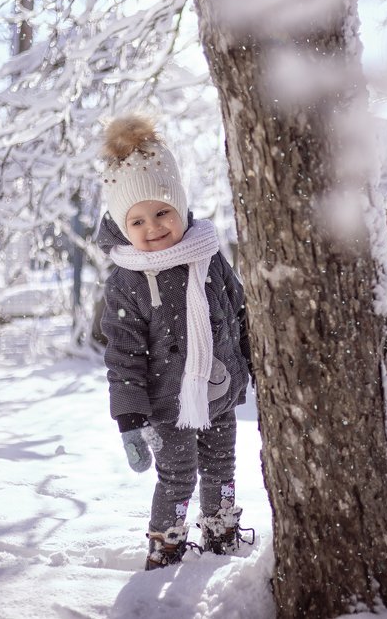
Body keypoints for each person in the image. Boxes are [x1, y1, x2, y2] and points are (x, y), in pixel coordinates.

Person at [96, 114, 253, 570]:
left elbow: (239, 315)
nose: (153, 228)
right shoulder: (126, 281)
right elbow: (123, 356)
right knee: (177, 477)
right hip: (167, 407)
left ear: (180, 208)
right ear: (124, 227)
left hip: (219, 396)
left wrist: (254, 363)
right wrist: (129, 417)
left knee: (222, 466)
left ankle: (222, 526)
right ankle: (167, 544)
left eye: (162, 212)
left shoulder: (209, 255)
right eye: (138, 220)